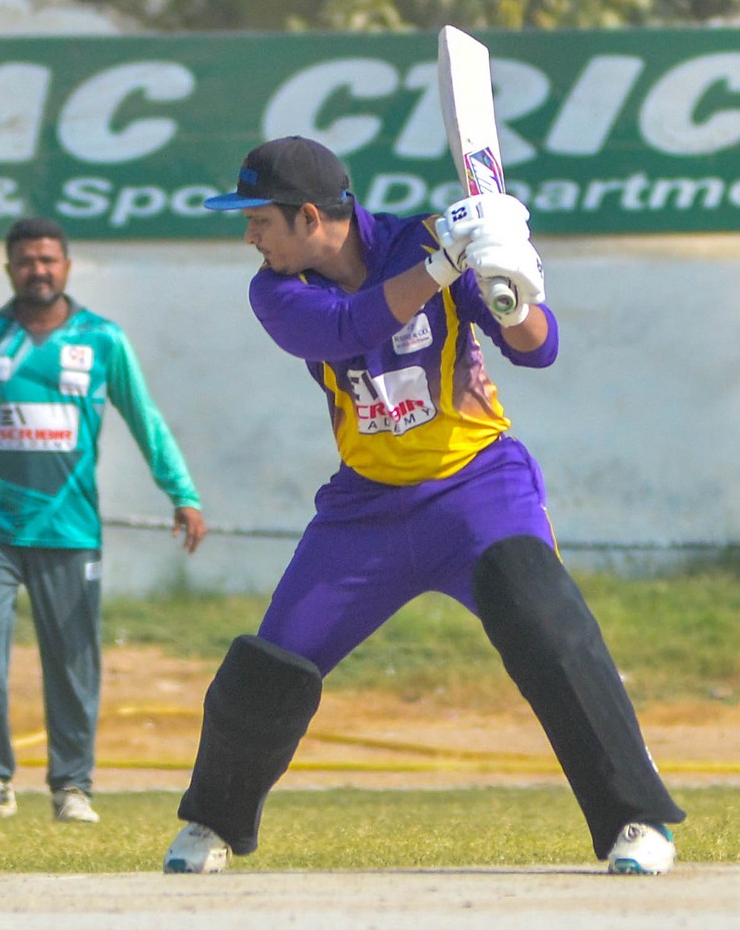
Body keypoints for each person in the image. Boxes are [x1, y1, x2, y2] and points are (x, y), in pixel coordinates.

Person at [162, 136, 684, 874]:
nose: (250, 237)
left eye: (259, 220)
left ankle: (636, 817)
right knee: (273, 662)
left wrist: (509, 281)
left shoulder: (428, 240)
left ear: (309, 216)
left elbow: (538, 348)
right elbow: (344, 329)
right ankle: (210, 826)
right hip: (365, 511)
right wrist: (443, 267)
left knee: (546, 623)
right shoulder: (277, 289)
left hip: (478, 488)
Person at [0, 215, 207, 825]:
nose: (37, 270)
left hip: (70, 529)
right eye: (25, 261)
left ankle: (72, 785)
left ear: (66, 266)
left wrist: (182, 492)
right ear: (9, 269)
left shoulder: (101, 339)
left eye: (48, 260)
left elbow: (144, 418)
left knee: (73, 664)